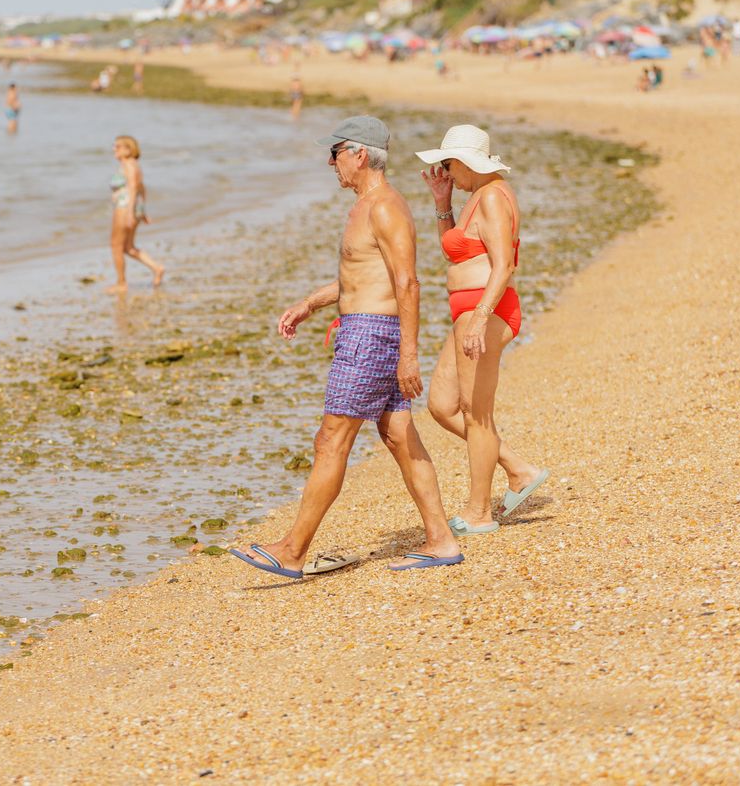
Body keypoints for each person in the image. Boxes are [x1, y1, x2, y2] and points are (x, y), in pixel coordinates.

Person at [232, 117, 463, 578]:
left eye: (335, 152)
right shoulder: (368, 206)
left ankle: (293, 550)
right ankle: (440, 539)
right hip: (370, 330)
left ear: (360, 155)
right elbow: (358, 279)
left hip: (370, 336)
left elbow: (407, 282)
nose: (329, 162)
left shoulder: (384, 207)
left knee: (330, 440)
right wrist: (309, 304)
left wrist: (409, 355)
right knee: (399, 436)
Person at [417, 125, 549, 536]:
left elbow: (503, 265)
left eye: (449, 164)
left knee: (477, 415)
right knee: (441, 405)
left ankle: (479, 512)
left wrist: (478, 317)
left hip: (484, 314)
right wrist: (443, 203)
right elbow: (454, 250)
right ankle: (518, 469)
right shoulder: (476, 197)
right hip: (471, 314)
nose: (445, 171)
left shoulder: (492, 197)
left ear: (468, 162)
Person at [107, 135, 164, 291]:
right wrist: (142, 210)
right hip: (132, 207)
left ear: (128, 149)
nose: (114, 149)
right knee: (128, 247)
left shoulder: (129, 165)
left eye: (118, 146)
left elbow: (133, 188)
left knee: (116, 245)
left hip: (125, 208)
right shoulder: (133, 165)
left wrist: (131, 213)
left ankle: (121, 283)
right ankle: (157, 267)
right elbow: (142, 188)